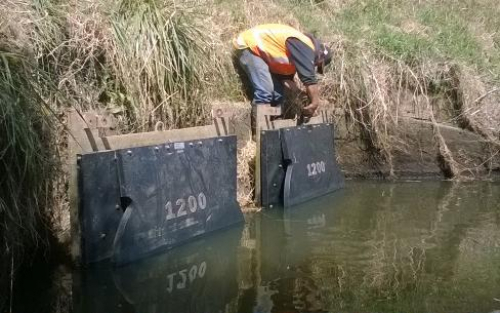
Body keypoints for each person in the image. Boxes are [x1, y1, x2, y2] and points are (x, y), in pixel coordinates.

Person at [233, 24, 332, 119]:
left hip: (260, 53)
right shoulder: (304, 46)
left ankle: (275, 126)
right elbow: (309, 79)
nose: (314, 66)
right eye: (317, 65)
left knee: (278, 94)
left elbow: (286, 81)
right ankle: (259, 132)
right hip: (250, 45)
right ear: (319, 57)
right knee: (265, 90)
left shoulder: (296, 54)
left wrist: (301, 95)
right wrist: (315, 102)